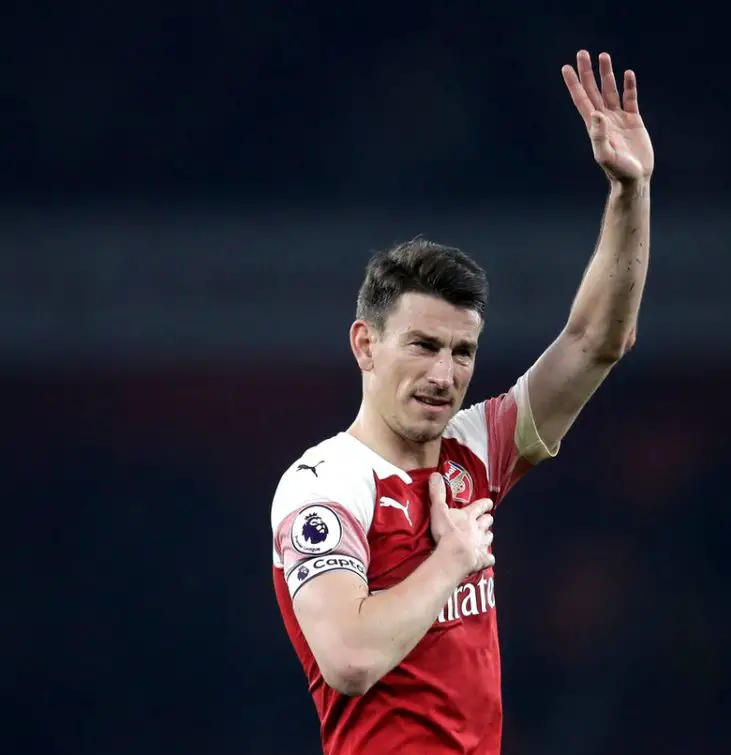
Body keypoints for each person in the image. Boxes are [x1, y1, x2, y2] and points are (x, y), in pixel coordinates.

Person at [269, 49, 654, 754]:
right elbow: (349, 659)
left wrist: (631, 192)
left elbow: (597, 340)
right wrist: (452, 560)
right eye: (422, 345)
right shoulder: (324, 485)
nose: (444, 374)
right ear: (365, 344)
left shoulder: (474, 449)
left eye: (462, 352)